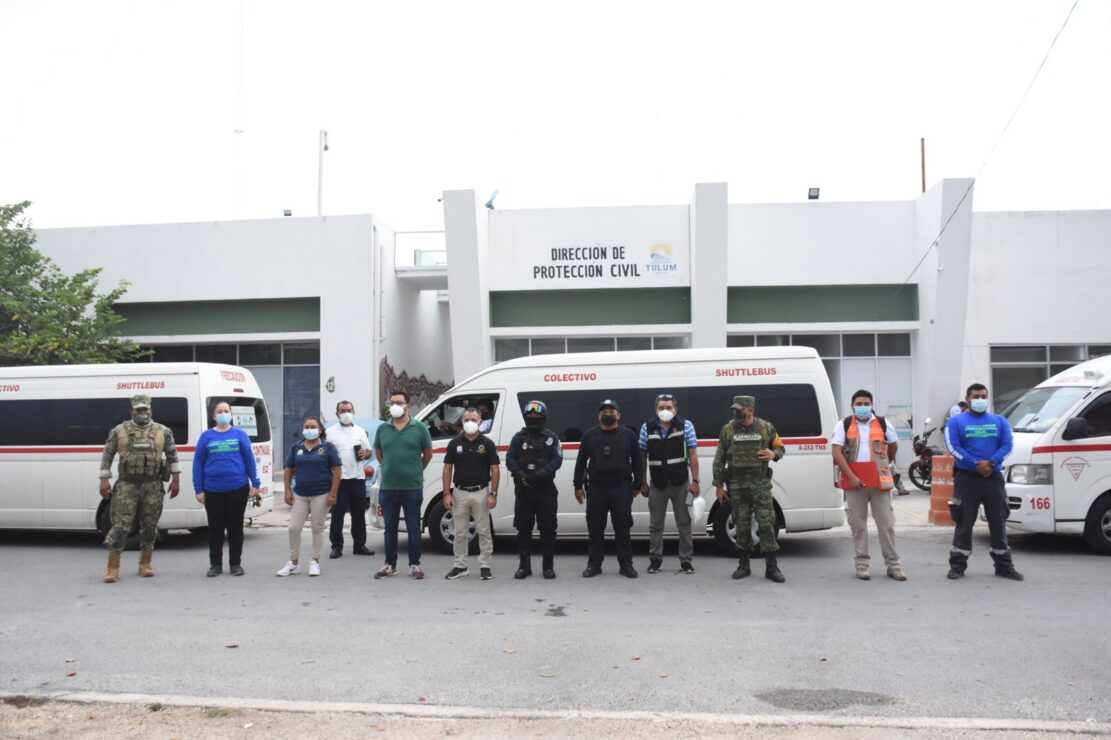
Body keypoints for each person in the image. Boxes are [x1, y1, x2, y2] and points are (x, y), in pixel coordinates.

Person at [97, 394, 181, 583]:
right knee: (120, 526)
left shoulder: (163, 431)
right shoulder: (119, 431)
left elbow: (172, 455)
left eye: (145, 409)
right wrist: (104, 480)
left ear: (151, 409)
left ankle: (145, 564)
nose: (142, 412)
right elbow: (107, 456)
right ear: (131, 410)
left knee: (150, 525)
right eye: (138, 409)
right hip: (127, 485)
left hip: (152, 485)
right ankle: (113, 568)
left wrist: (176, 480)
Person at [944, 383, 1023, 581]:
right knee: (964, 523)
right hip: (967, 479)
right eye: (976, 396)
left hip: (993, 479)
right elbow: (953, 447)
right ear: (968, 398)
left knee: (998, 523)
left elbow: (1008, 445)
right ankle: (957, 566)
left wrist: (992, 462)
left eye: (983, 396)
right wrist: (976, 464)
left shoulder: (1000, 421)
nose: (980, 400)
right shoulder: (955, 422)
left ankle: (1004, 566)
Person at [831, 390, 907, 581]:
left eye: (866, 403)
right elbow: (836, 452)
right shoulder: (844, 424)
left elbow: (893, 445)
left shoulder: (882, 423)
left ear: (872, 405)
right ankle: (862, 565)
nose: (863, 407)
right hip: (854, 481)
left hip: (879, 481)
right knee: (858, 525)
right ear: (852, 406)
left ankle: (893, 565)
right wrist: (852, 476)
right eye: (859, 403)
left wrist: (884, 463)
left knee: (886, 525)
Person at [712, 395, 787, 583]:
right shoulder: (728, 429)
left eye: (740, 410)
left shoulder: (765, 427)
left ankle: (772, 567)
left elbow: (780, 448)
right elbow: (719, 458)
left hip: (760, 484)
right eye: (734, 410)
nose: (736, 413)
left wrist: (773, 454)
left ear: (751, 410)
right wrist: (719, 486)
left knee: (767, 524)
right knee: (741, 524)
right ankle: (743, 565)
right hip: (737, 485)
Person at [574, 399, 643, 578]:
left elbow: (638, 462)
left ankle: (626, 564)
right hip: (596, 489)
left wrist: (637, 485)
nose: (607, 414)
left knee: (623, 528)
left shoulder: (629, 435)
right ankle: (594, 565)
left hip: (621, 488)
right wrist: (577, 486)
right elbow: (581, 462)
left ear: (618, 415)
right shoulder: (589, 435)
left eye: (611, 411)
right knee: (595, 529)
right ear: (599, 415)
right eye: (604, 411)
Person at [193, 402, 261, 577]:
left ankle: (235, 564)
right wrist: (199, 489)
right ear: (214, 416)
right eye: (219, 411)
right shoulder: (206, 436)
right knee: (215, 529)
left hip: (237, 488)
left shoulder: (240, 434)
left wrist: (255, 483)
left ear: (231, 415)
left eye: (226, 411)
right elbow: (198, 464)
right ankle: (215, 564)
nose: (223, 414)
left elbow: (249, 459)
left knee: (235, 528)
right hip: (212, 489)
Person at [373, 390, 434, 580]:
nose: (395, 406)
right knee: (389, 528)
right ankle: (390, 565)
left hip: (412, 487)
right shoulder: (383, 429)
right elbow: (379, 453)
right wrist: (391, 468)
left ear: (408, 405)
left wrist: (414, 470)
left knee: (413, 527)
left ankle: (415, 564)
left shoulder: (419, 427)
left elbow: (428, 454)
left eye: (399, 402)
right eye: (392, 402)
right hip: (388, 487)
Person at [638, 393, 700, 574]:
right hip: (657, 484)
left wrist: (695, 481)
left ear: (676, 409)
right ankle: (655, 560)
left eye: (669, 407)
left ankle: (686, 560)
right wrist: (642, 482)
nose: (665, 411)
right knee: (655, 525)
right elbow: (642, 457)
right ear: (655, 410)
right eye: (661, 408)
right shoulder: (646, 428)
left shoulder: (686, 426)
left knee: (684, 523)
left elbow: (693, 455)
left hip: (681, 484)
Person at [506, 400, 563, 579]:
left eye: (537, 415)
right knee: (523, 529)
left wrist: (540, 475)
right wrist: (522, 475)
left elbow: (557, 460)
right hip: (524, 491)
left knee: (548, 529)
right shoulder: (518, 438)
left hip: (545, 490)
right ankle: (524, 566)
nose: (533, 418)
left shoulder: (551, 438)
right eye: (529, 415)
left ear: (543, 417)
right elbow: (510, 459)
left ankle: (548, 567)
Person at [277, 416, 340, 577]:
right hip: (300, 494)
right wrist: (287, 491)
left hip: (321, 493)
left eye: (313, 427)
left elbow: (337, 470)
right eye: (307, 426)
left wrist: (333, 493)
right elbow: (288, 469)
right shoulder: (296, 447)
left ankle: (315, 561)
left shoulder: (328, 447)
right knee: (293, 528)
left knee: (316, 528)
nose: (310, 429)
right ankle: (293, 562)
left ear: (320, 430)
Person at [442, 408, 500, 580]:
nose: (469, 423)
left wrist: (493, 494)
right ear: (462, 422)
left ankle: (485, 566)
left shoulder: (487, 443)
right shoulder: (454, 443)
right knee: (460, 532)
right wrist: (447, 494)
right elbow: (447, 468)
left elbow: (495, 470)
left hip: (481, 492)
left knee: (483, 531)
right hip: (459, 492)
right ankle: (460, 566)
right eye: (466, 419)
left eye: (473, 420)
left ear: (480, 422)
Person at [326, 401, 375, 560]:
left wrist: (365, 454)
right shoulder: (330, 433)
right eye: (342, 410)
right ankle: (336, 546)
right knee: (338, 514)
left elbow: (368, 452)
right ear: (337, 413)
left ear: (354, 412)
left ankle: (359, 545)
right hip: (339, 480)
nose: (346, 413)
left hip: (358, 478)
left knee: (359, 514)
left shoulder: (360, 431)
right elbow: (325, 455)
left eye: (349, 410)